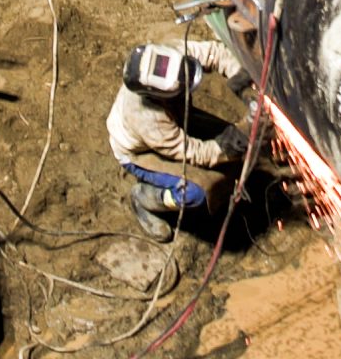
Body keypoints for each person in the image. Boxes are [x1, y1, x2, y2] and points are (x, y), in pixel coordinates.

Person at [107, 41, 251, 240]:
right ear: (157, 93)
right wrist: (234, 143)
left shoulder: (172, 54)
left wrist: (242, 80)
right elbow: (196, 153)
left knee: (235, 141)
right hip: (139, 154)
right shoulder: (148, 120)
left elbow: (214, 53)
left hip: (175, 121)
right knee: (196, 193)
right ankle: (145, 198)